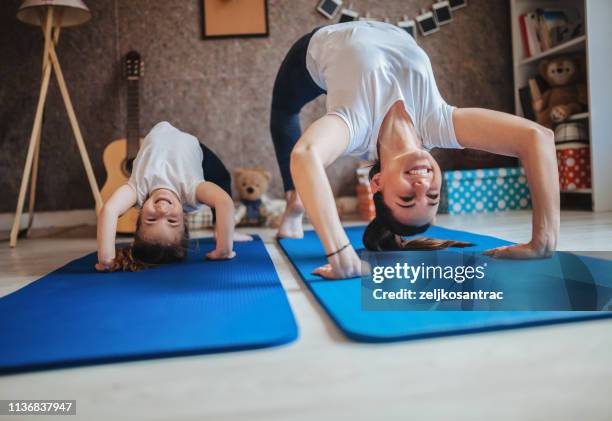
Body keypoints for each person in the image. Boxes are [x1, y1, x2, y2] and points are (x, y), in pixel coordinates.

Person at [270, 21, 559, 279]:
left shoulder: (356, 129)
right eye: (433, 195)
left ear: (378, 182)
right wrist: (543, 242)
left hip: (319, 46)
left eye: (408, 197)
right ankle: (300, 199)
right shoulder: (438, 123)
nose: (422, 185)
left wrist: (341, 254)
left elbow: (304, 154)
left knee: (283, 113)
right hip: (389, 30)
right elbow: (537, 137)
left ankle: (295, 202)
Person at [96, 121, 247, 272]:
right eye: (172, 221)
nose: (162, 211)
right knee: (222, 179)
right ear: (184, 218)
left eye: (151, 219)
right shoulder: (192, 191)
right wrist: (224, 247)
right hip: (190, 147)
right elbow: (224, 201)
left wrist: (106, 258)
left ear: (140, 214)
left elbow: (109, 210)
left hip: (156, 139)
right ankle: (221, 228)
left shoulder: (138, 191)